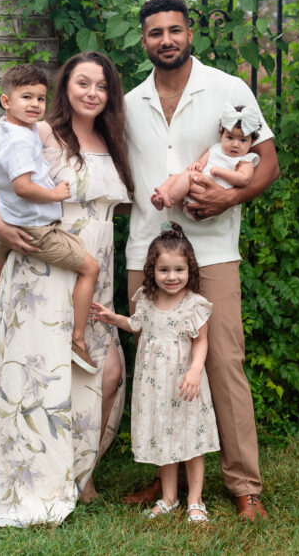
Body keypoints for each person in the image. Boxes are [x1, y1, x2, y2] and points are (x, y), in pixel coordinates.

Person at [0, 51, 134, 526]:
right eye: (83, 83)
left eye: (102, 85)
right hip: (44, 267)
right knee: (44, 374)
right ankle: (41, 479)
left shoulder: (113, 138)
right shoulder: (41, 131)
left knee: (106, 373)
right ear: (66, 87)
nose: (92, 93)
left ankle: (81, 470)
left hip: (95, 272)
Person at [122, 0, 280, 522]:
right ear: (143, 40)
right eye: (155, 32)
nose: (166, 40)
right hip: (147, 251)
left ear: (190, 33)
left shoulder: (228, 89)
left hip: (211, 251)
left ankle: (244, 485)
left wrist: (231, 198)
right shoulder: (129, 102)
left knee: (223, 362)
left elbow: (268, 163)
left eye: (175, 30)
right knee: (156, 365)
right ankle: (165, 474)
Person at [0, 64, 100, 374]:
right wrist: (55, 194)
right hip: (35, 226)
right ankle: (77, 340)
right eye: (27, 97)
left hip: (11, 217)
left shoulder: (5, 129)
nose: (35, 105)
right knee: (90, 268)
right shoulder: (20, 140)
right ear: (6, 101)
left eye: (40, 99)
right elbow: (23, 187)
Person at [91, 222, 219, 524]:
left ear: (189, 270)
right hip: (156, 386)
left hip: (185, 384)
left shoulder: (194, 305)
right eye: (164, 270)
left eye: (179, 270)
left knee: (190, 441)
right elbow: (136, 324)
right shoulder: (147, 300)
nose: (172, 277)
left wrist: (195, 370)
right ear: (152, 270)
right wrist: (113, 318)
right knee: (164, 439)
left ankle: (195, 500)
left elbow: (201, 341)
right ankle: (169, 498)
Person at [151, 103, 262, 211]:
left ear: (252, 141)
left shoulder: (245, 160)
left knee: (188, 176)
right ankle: (161, 195)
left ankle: (170, 199)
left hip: (214, 194)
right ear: (221, 135)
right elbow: (200, 164)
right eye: (230, 138)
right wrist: (197, 166)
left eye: (243, 140)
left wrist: (220, 172)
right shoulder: (215, 149)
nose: (235, 144)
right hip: (198, 188)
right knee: (177, 177)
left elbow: (244, 179)